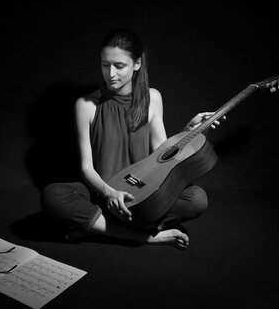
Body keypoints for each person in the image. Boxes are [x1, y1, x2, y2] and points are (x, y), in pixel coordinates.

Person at [41, 28, 223, 249]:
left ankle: (99, 228)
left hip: (145, 194)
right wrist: (109, 193)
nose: (111, 74)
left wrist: (189, 129)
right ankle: (145, 237)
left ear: (137, 64)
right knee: (53, 196)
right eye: (105, 64)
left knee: (197, 198)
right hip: (103, 192)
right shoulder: (85, 105)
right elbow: (86, 168)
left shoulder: (152, 98)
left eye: (119, 66)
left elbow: (163, 154)